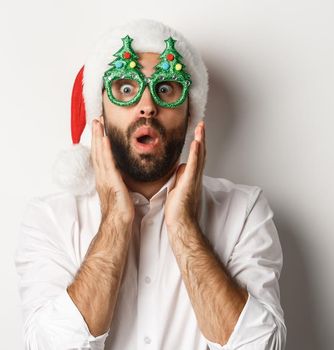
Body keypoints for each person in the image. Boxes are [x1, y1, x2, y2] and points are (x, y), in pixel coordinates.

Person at [14, 19, 286, 350]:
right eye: (125, 88)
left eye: (167, 88)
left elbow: (260, 346)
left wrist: (184, 227)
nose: (147, 106)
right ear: (99, 111)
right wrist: (115, 217)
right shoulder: (50, 219)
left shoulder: (244, 211)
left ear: (190, 114)